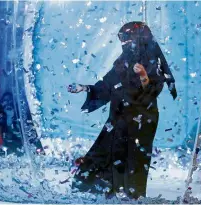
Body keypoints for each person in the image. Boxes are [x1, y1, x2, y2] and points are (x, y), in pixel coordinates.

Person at [67, 21, 177, 199]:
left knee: (133, 161)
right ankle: (101, 193)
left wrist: (143, 76)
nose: (124, 43)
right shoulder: (122, 62)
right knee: (103, 153)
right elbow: (106, 86)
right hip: (118, 118)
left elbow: (151, 93)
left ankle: (131, 198)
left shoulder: (151, 61)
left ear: (138, 38)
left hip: (140, 122)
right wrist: (85, 88)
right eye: (121, 39)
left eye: (126, 38)